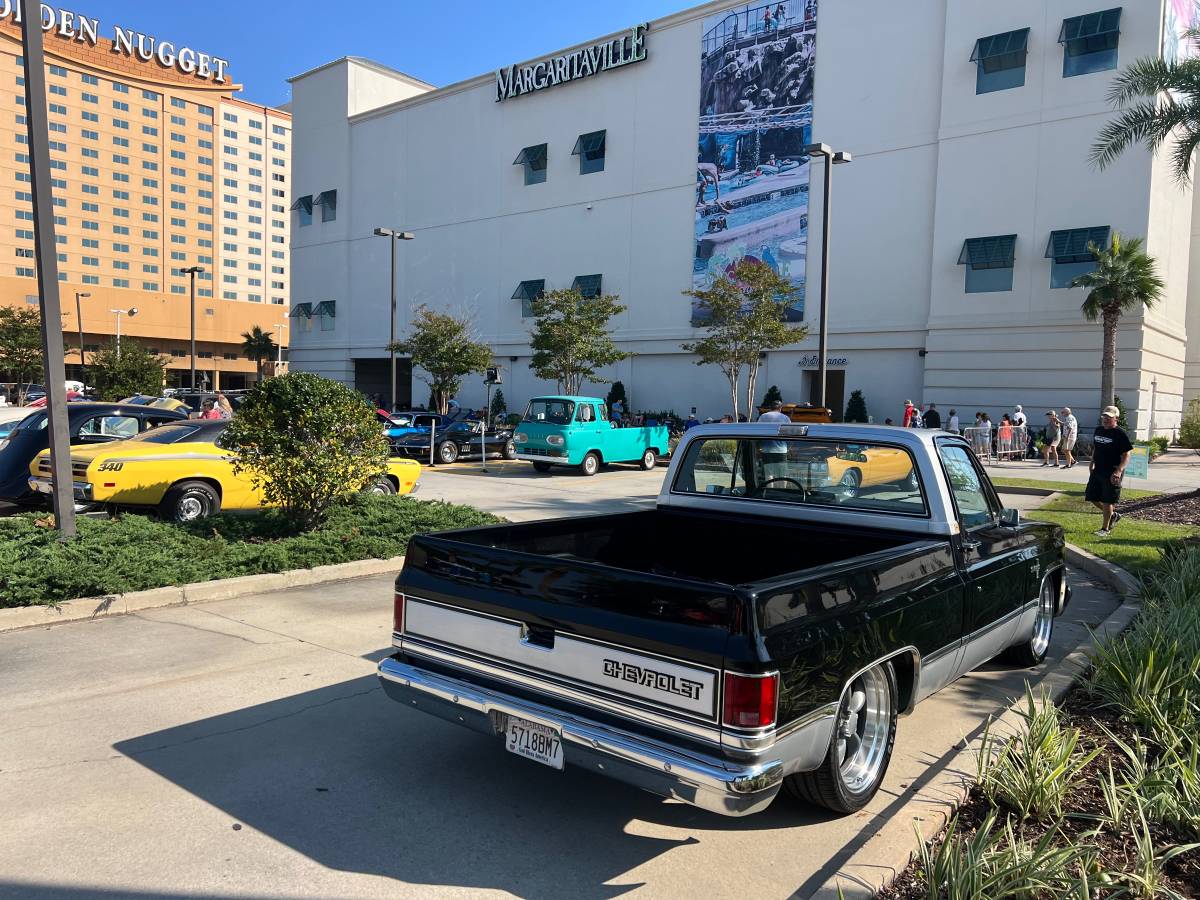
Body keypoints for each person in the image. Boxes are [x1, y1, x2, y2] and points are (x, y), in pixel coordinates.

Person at [1087, 406, 1133, 537]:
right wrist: (1092, 462)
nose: (1106, 419)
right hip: (1098, 469)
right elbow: (1096, 447)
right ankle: (1113, 515)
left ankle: (1105, 529)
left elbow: (1127, 455)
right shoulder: (1098, 430)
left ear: (1116, 418)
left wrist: (1118, 471)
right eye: (1104, 417)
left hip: (1112, 470)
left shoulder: (1120, 433)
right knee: (1092, 497)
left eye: (1109, 417)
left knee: (1107, 501)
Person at [758, 400, 791, 480]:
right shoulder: (785, 418)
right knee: (782, 475)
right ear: (780, 408)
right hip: (781, 450)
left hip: (767, 450)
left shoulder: (763, 417)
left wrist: (758, 447)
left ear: (770, 408)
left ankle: (770, 491)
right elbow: (790, 434)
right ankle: (782, 491)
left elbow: (758, 432)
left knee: (769, 474)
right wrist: (789, 448)